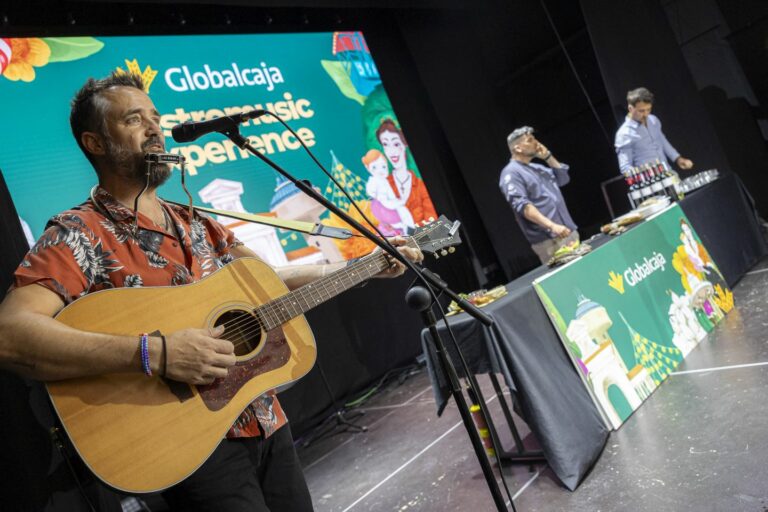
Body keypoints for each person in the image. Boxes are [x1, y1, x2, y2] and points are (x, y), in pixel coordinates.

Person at [0, 72, 423, 511]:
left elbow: (265, 279)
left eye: (156, 117)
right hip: (186, 440)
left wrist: (361, 267)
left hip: (262, 417)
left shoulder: (194, 220)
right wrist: (155, 353)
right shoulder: (79, 233)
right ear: (95, 143)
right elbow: (10, 334)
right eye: (133, 119)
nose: (154, 129)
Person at [498, 126, 578, 264]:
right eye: (530, 140)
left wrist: (548, 157)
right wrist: (552, 226)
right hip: (550, 239)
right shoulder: (511, 173)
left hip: (568, 231)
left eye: (535, 139)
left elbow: (563, 179)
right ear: (518, 148)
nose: (536, 143)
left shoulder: (537, 168)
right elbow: (523, 207)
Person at [615, 87, 694, 174]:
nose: (646, 114)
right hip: (650, 182)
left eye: (648, 109)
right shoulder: (623, 134)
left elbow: (662, 141)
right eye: (641, 111)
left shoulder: (653, 120)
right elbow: (625, 167)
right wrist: (644, 178)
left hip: (669, 173)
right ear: (630, 108)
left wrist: (678, 158)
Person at [375, 119, 438, 226]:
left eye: (396, 144)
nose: (391, 151)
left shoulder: (420, 186)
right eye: (385, 144)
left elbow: (433, 223)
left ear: (404, 144)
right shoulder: (383, 185)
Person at [362, 148, 415, 236]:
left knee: (403, 210)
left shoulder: (384, 180)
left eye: (383, 166)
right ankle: (408, 228)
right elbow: (372, 192)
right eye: (374, 167)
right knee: (402, 209)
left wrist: (396, 201)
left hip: (388, 202)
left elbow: (390, 195)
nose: (380, 170)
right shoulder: (374, 181)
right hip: (382, 205)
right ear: (368, 168)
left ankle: (408, 228)